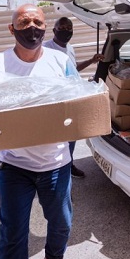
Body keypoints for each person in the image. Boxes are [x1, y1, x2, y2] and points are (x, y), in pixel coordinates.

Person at [0, 4, 77, 259]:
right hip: (15, 165)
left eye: (37, 22)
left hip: (56, 163)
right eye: (24, 23)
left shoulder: (60, 62)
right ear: (12, 29)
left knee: (61, 223)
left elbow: (79, 104)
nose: (32, 28)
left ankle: (53, 258)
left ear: (45, 27)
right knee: (13, 233)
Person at [43, 16, 104, 179]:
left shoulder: (70, 48)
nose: (65, 31)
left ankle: (68, 165)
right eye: (61, 28)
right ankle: (54, 170)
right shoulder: (45, 48)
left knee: (71, 135)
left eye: (68, 28)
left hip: (70, 98)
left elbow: (73, 69)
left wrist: (92, 60)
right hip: (53, 100)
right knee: (55, 138)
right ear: (53, 30)